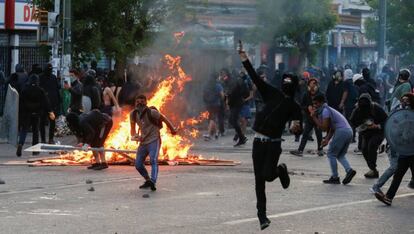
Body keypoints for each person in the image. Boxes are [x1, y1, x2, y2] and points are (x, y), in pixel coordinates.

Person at [239, 44, 302, 230]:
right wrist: (244, 59)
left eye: (290, 83)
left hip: (273, 144)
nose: (287, 85)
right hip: (258, 142)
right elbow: (255, 78)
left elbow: (297, 126)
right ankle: (262, 216)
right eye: (285, 82)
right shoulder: (271, 93)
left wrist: (295, 127)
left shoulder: (295, 106)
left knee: (267, 175)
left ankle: (280, 169)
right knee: (259, 181)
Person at [130, 94, 177, 191]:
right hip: (143, 142)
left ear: (146, 103)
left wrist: (172, 129)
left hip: (154, 140)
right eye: (138, 102)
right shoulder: (133, 114)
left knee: (153, 160)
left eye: (142, 102)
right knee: (138, 164)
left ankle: (153, 181)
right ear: (135, 103)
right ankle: (148, 180)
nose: (140, 104)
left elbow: (164, 119)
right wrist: (135, 136)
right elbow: (132, 129)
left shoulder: (152, 112)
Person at [375, 93, 414, 206]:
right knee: (398, 175)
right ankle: (388, 198)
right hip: (404, 150)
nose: (404, 102)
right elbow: (393, 130)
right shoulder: (400, 116)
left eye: (407, 100)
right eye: (403, 100)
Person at [310, 94, 356, 185]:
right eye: (313, 104)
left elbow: (324, 127)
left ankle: (335, 177)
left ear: (321, 102)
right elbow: (332, 128)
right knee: (340, 155)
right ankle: (349, 170)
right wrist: (327, 139)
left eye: (316, 103)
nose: (314, 106)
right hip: (348, 131)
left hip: (342, 131)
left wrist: (314, 117)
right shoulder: (328, 110)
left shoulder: (325, 111)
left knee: (331, 154)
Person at [350, 93, 387, 178]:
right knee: (364, 149)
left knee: (372, 145)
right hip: (366, 133)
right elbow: (352, 121)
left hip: (378, 132)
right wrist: (362, 126)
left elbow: (386, 120)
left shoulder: (376, 108)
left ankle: (373, 168)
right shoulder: (357, 110)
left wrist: (377, 126)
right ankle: (372, 169)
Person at [16, 75, 55, 157]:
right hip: (37, 113)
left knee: (24, 130)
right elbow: (46, 102)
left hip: (26, 113)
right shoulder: (40, 90)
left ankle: (20, 144)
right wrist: (50, 111)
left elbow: (20, 103)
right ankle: (35, 150)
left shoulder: (25, 90)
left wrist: (20, 114)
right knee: (35, 131)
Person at [290, 78, 324, 157]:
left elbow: (325, 105)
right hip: (309, 118)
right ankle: (300, 150)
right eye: (312, 84)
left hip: (318, 118)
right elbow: (302, 105)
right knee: (305, 134)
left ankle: (320, 150)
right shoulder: (306, 94)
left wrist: (317, 110)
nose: (313, 85)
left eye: (315, 84)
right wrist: (307, 108)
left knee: (319, 134)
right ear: (308, 85)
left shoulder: (320, 94)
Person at [222, 68, 248, 147]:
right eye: (222, 74)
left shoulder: (232, 81)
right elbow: (227, 93)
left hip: (237, 103)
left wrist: (227, 98)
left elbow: (230, 92)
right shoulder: (227, 81)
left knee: (233, 120)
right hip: (233, 104)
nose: (222, 76)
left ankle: (241, 137)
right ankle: (241, 136)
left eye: (224, 74)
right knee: (233, 120)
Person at [39, 63, 61, 144]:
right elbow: (57, 88)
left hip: (45, 104)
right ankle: (49, 139)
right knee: (51, 122)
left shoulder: (41, 77)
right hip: (50, 104)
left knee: (43, 122)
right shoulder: (53, 77)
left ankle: (44, 139)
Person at [203, 73, 224, 140]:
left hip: (208, 104)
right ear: (216, 78)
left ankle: (216, 133)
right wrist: (223, 102)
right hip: (216, 104)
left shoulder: (207, 85)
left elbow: (204, 94)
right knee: (212, 119)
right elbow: (222, 95)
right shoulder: (218, 85)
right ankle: (209, 134)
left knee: (211, 118)